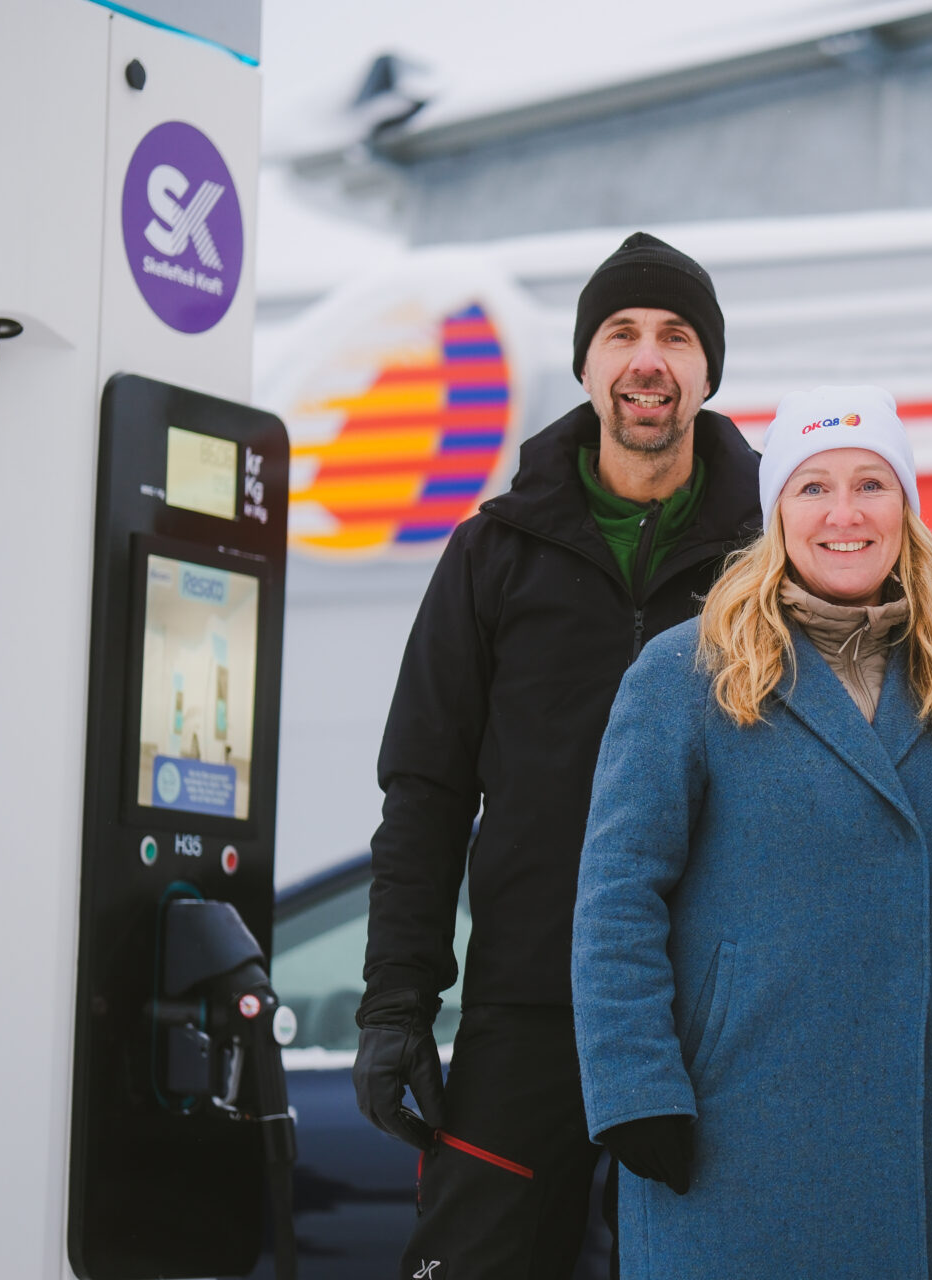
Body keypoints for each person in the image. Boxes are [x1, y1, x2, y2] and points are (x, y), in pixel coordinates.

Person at [352, 232, 761, 1280]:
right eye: (621, 333)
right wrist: (399, 1001)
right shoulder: (494, 550)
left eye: (675, 336)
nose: (647, 359)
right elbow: (427, 791)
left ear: (709, 368)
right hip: (530, 1009)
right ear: (586, 363)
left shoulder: (767, 552)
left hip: (717, 1015)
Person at [570, 387, 932, 1279]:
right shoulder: (686, 671)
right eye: (812, 488)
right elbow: (618, 898)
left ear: (905, 509)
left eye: (872, 484)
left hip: (918, 1132)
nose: (845, 514)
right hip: (730, 1132)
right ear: (775, 514)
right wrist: (635, 1092)